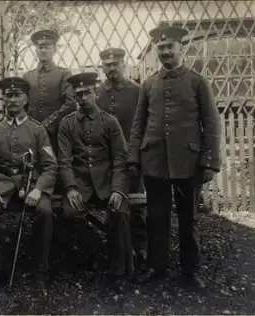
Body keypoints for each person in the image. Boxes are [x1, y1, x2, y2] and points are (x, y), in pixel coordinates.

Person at [127, 25, 221, 289]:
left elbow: (211, 124)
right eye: (161, 47)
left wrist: (210, 161)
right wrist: (134, 157)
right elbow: (139, 124)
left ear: (182, 48)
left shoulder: (197, 81)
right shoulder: (148, 84)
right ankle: (158, 269)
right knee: (156, 217)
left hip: (187, 163)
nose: (165, 51)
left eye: (170, 47)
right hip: (154, 162)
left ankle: (189, 272)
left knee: (188, 218)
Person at [0, 77, 58, 285]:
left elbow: (50, 165)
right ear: (3, 99)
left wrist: (39, 190)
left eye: (17, 95)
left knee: (45, 211)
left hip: (31, 183)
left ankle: (40, 267)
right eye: (8, 96)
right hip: (1, 183)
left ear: (26, 99)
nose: (12, 100)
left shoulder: (37, 130)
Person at [58, 72, 133, 279]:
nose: (83, 98)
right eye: (79, 94)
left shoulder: (110, 122)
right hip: (80, 182)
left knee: (120, 213)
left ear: (95, 94)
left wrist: (118, 189)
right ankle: (90, 257)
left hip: (107, 182)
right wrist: (71, 188)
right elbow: (64, 160)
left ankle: (119, 271)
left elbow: (120, 159)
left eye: (87, 93)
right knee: (71, 213)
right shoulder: (67, 123)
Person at [95, 47, 147, 270]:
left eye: (116, 64)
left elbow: (143, 125)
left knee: (136, 205)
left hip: (131, 158)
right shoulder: (97, 94)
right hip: (106, 161)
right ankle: (115, 248)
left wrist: (135, 156)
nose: (112, 68)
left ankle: (140, 247)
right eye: (108, 65)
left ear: (123, 65)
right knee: (112, 203)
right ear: (103, 68)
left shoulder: (136, 91)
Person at [23, 29, 76, 155]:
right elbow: (23, 105)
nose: (43, 50)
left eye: (47, 47)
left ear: (54, 50)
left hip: (56, 132)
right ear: (36, 50)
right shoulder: (27, 76)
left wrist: (48, 123)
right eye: (40, 47)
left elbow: (71, 103)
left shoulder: (64, 74)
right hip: (32, 133)